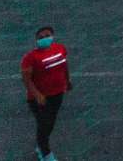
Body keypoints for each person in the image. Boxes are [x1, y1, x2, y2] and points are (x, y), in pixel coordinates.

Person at [21, 25, 71, 161]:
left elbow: (64, 65)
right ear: (36, 40)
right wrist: (37, 95)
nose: (45, 39)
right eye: (41, 37)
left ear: (52, 36)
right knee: (44, 126)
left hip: (57, 93)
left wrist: (67, 80)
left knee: (50, 123)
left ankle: (41, 147)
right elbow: (26, 79)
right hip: (39, 99)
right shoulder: (30, 58)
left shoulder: (60, 48)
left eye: (47, 35)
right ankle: (47, 155)